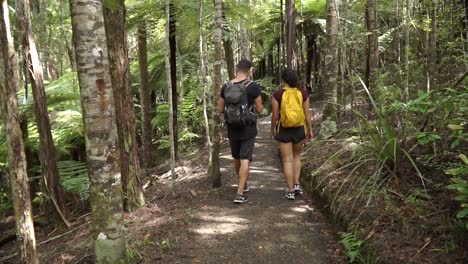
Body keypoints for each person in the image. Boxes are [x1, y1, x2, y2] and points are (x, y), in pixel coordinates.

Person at [218, 59, 263, 204]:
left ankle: (242, 184)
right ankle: (239, 192)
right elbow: (260, 109)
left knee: (237, 158)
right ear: (249, 70)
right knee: (245, 159)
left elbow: (220, 109)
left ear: (236, 69)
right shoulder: (253, 86)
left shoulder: (226, 86)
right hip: (248, 128)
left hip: (232, 127)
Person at [271, 69, 313, 200]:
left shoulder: (278, 94)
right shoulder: (303, 93)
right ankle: (296, 185)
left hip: (283, 129)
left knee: (287, 160)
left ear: (283, 80)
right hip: (299, 129)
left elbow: (275, 115)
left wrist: (272, 129)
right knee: (297, 156)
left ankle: (289, 190)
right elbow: (307, 113)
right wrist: (310, 130)